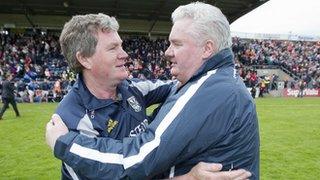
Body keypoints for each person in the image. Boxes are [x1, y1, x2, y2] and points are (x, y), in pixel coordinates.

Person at [47, 2, 259, 178]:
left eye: (121, 45)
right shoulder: (71, 121)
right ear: (84, 58)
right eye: (113, 48)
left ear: (208, 48)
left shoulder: (136, 90)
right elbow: (134, 162)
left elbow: (183, 88)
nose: (125, 54)